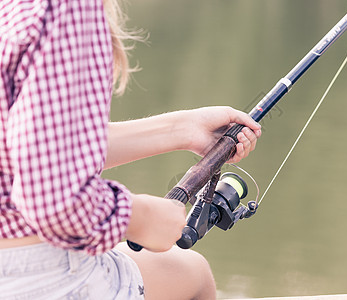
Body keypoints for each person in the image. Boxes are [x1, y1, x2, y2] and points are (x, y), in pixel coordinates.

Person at [0, 0, 261, 299]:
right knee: (194, 274)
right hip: (31, 273)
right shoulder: (67, 7)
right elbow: (51, 196)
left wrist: (181, 129)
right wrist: (139, 218)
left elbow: (36, 146)